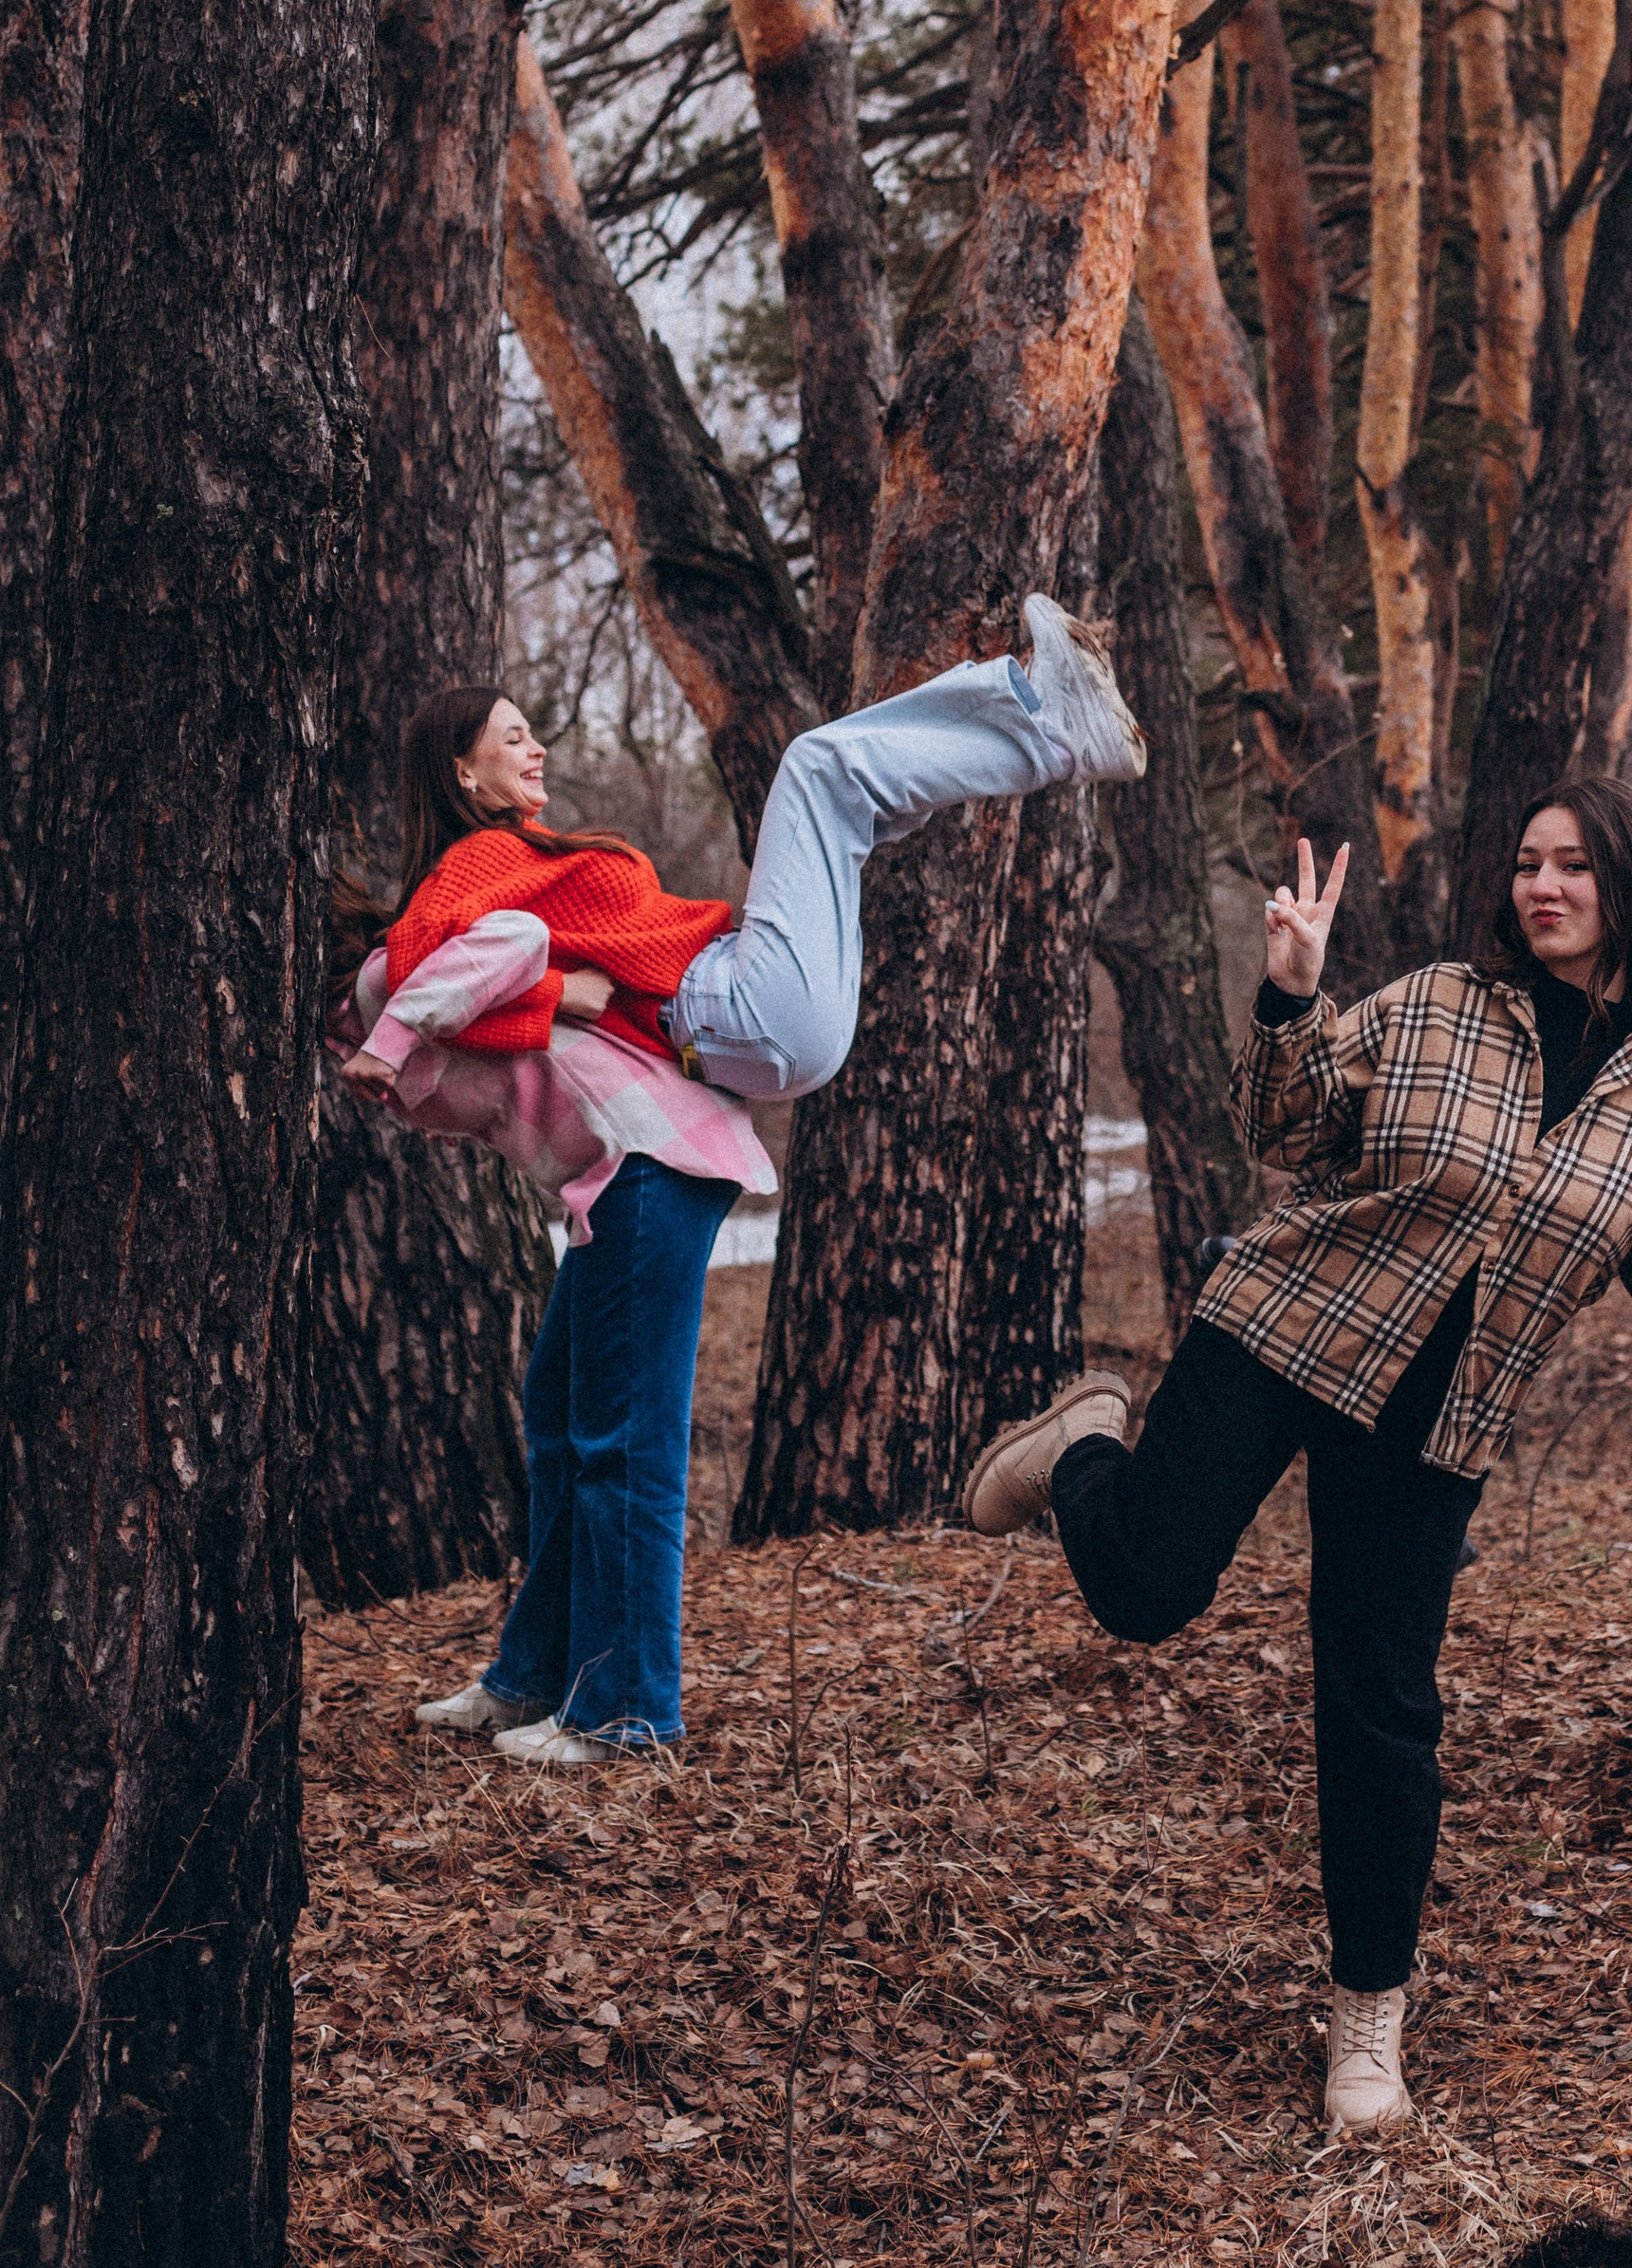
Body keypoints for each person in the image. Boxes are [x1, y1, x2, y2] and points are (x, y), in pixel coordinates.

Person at [956, 774, 1632, 2139]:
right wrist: (1292, 995)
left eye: (1573, 865)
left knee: (1381, 1706)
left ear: (1630, 885)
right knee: (1148, 1592)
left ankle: (1367, 2019)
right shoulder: (1440, 1004)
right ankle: (1083, 1445)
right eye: (1526, 862)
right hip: (1284, 1327)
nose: (1542, 886)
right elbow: (1286, 1132)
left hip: (1436, 1416)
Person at [341, 599, 1145, 1769]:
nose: (538, 749)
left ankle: (622, 1707)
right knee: (825, 777)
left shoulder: (510, 864)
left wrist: (546, 995)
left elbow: (472, 976)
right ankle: (539, 1678)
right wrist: (510, 1005)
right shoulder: (477, 864)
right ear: (460, 773)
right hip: (729, 1013)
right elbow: (431, 965)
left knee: (836, 784)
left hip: (729, 1024)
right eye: (513, 736)